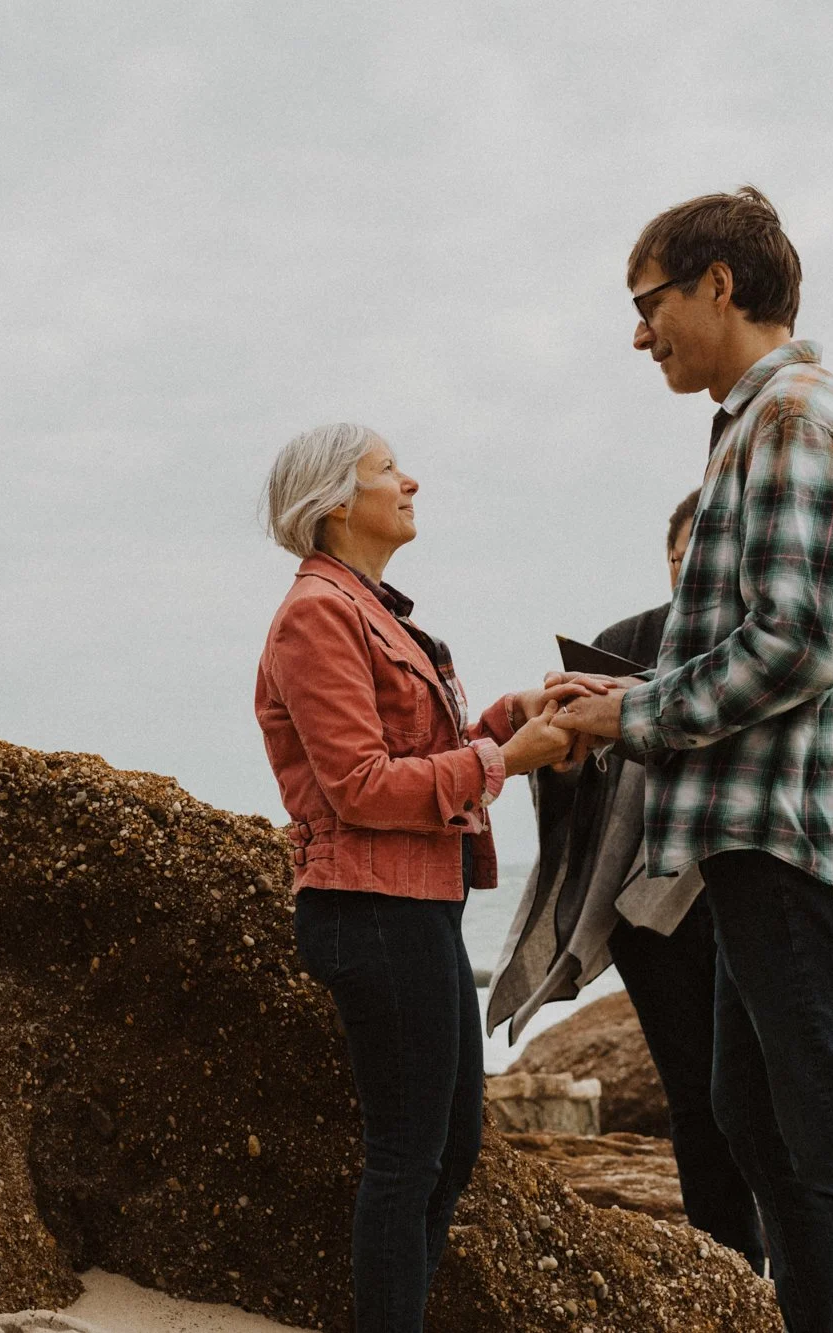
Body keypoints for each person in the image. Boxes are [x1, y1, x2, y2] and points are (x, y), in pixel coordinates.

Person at [552, 187, 833, 1331]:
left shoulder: (793, 421)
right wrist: (620, 692)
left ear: (716, 284)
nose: (639, 334)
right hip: (769, 838)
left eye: (647, 302)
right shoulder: (763, 423)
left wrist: (626, 720)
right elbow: (768, 640)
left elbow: (794, 644)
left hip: (800, 841)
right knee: (758, 1118)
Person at [254, 423, 581, 1333]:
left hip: (418, 905)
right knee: (408, 1154)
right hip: (366, 907)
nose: (413, 482)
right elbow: (359, 785)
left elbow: (423, 748)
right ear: (333, 506)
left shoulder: (372, 609)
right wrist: (503, 760)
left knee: (449, 1148)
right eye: (388, 470)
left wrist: (512, 715)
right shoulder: (317, 614)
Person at [487, 488, 764, 1271]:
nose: (688, 570)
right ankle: (730, 1263)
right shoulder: (625, 639)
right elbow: (581, 795)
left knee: (763, 1096)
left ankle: (790, 1260)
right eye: (677, 558)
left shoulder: (755, 649)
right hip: (650, 909)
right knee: (695, 1095)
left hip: (748, 887)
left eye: (702, 556)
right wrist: (572, 735)